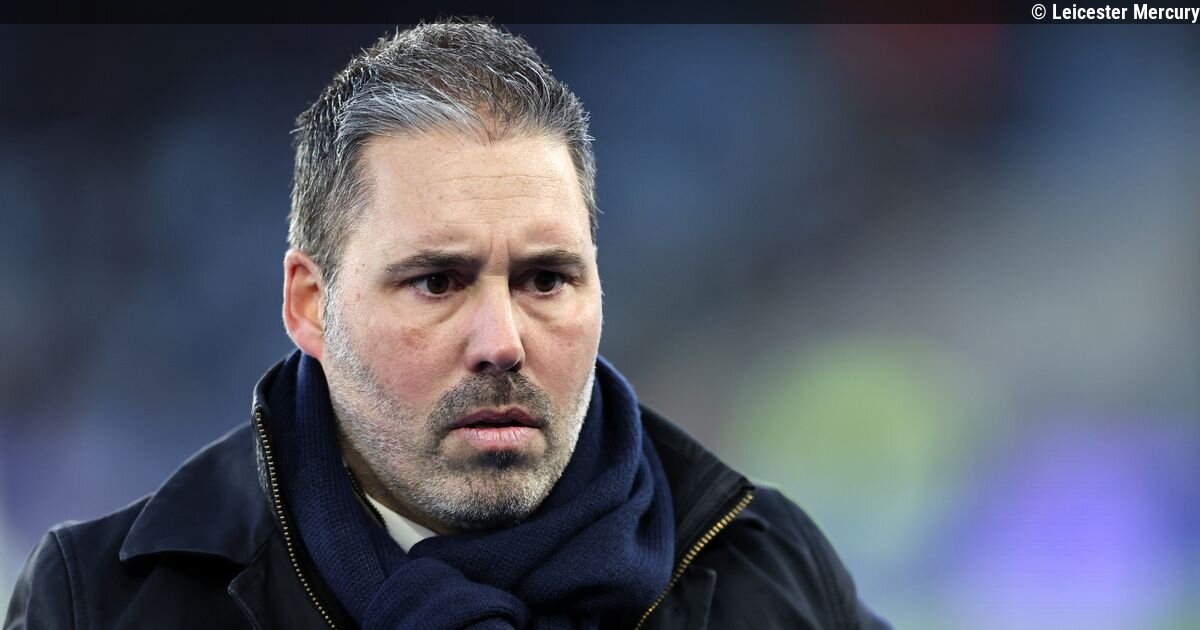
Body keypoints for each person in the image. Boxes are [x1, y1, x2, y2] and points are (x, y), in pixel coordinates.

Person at [5, 20, 889, 630]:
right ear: (310, 305)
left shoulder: (768, 571)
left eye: (546, 279)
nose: (502, 341)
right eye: (437, 282)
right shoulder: (104, 603)